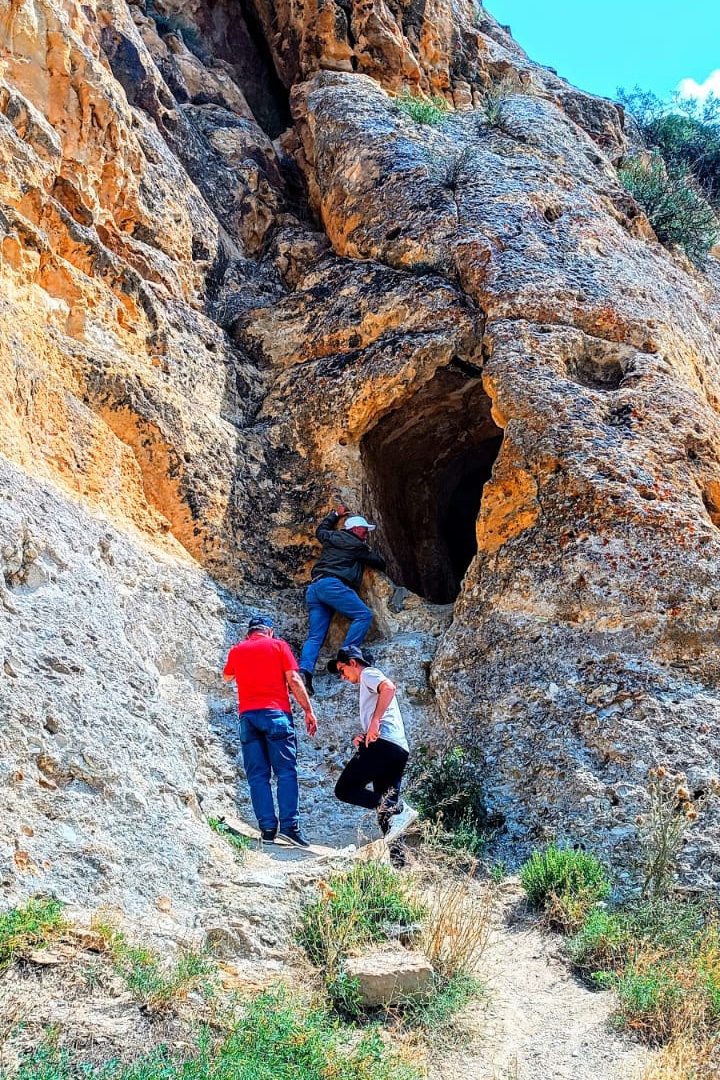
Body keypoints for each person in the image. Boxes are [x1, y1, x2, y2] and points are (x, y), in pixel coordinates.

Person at [223, 614, 318, 848]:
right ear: (270, 631)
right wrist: (308, 709)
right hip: (276, 715)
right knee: (285, 772)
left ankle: (267, 830)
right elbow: (294, 679)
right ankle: (289, 828)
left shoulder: (237, 650)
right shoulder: (278, 646)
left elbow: (227, 677)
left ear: (249, 633)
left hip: (248, 718)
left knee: (257, 776)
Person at [328, 645, 418, 857]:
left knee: (345, 789)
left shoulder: (368, 673)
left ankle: (400, 809)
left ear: (353, 662)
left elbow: (389, 688)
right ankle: (399, 863)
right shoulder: (367, 683)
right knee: (385, 810)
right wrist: (367, 731)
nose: (342, 676)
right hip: (397, 748)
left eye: (342, 670)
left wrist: (375, 722)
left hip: (385, 745)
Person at [298, 506, 386, 694]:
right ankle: (346, 656)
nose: (366, 535)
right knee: (363, 615)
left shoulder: (330, 537)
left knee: (315, 637)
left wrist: (335, 514)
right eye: (364, 531)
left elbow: (320, 530)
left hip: (314, 588)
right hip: (333, 586)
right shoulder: (356, 545)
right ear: (354, 530)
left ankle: (304, 674)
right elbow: (379, 562)